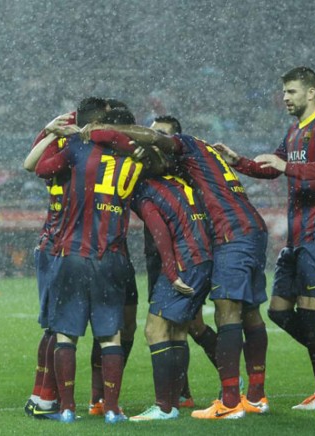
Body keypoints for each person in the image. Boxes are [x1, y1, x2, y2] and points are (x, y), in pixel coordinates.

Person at [85, 115, 271, 420]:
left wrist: (174, 271)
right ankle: (217, 394)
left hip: (200, 250)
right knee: (190, 326)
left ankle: (212, 399)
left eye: (158, 138)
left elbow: (161, 226)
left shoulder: (168, 172)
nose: (150, 143)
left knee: (181, 325)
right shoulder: (182, 173)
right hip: (198, 249)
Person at [214, 66, 315, 410]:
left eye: (292, 92)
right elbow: (274, 166)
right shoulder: (294, 131)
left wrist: (288, 168)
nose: (285, 98)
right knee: (280, 311)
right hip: (298, 237)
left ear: (311, 93)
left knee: (309, 315)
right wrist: (240, 162)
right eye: (284, 92)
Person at [33, 107, 141, 424]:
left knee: (65, 334)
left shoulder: (79, 149)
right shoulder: (137, 158)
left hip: (73, 253)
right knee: (111, 336)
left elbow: (39, 167)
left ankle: (66, 409)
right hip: (112, 256)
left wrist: (57, 132)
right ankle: (111, 409)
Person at [129, 168, 213, 422]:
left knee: (154, 330)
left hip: (184, 262)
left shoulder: (143, 190)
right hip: (202, 258)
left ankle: (164, 407)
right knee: (177, 331)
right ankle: (175, 402)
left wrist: (171, 271)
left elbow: (160, 231)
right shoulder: (177, 182)